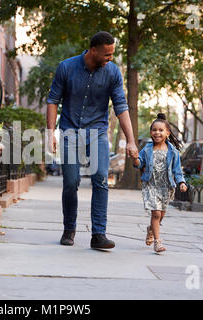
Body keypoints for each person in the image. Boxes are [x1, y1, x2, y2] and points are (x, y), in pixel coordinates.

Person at [46, 31, 138, 249]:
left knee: (101, 178)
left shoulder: (113, 73)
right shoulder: (66, 67)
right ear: (93, 51)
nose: (110, 58)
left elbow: (121, 107)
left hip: (97, 132)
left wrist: (131, 140)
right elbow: (53, 101)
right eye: (107, 54)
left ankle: (98, 234)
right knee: (70, 182)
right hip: (69, 131)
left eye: (112, 54)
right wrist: (50, 132)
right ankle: (69, 229)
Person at [131, 113, 188, 253]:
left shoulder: (173, 151)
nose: (157, 133)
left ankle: (151, 229)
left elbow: (177, 170)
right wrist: (134, 158)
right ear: (151, 132)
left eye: (161, 130)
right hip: (150, 185)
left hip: (166, 186)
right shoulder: (148, 148)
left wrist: (181, 182)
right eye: (154, 130)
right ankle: (158, 242)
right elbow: (139, 164)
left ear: (167, 133)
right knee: (156, 214)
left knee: (161, 215)